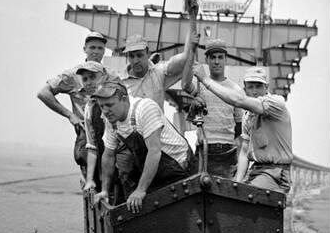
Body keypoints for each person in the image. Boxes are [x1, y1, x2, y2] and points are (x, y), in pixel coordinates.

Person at [92, 81, 196, 213]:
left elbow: (154, 151)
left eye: (109, 105)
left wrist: (140, 190)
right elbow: (108, 155)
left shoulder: (145, 109)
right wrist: (105, 191)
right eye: (102, 106)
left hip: (180, 168)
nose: (105, 111)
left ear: (124, 99)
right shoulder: (111, 120)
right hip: (157, 172)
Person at [192, 64, 292, 193]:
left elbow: (237, 101)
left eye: (258, 86)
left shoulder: (275, 103)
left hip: (276, 173)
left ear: (266, 87)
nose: (255, 91)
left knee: (245, 198)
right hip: (257, 170)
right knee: (230, 193)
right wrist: (236, 184)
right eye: (251, 87)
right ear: (245, 89)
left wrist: (205, 80)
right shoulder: (248, 115)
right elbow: (244, 152)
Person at [36, 31, 108, 175]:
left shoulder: (109, 74)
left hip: (107, 132)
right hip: (85, 131)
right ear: (85, 49)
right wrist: (69, 115)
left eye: (100, 48)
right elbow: (43, 93)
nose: (96, 52)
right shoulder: (73, 75)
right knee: (90, 173)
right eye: (92, 48)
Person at [182, 37, 244, 178]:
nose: (217, 61)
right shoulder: (199, 86)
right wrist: (191, 51)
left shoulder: (236, 89)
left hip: (228, 152)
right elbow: (185, 85)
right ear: (207, 60)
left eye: (220, 57)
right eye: (213, 57)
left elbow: (239, 127)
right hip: (204, 149)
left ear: (225, 59)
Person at [74, 61, 121, 193]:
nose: (88, 82)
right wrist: (89, 179)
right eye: (85, 79)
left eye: (93, 77)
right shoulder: (89, 107)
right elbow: (92, 145)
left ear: (104, 77)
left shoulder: (118, 98)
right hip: (106, 165)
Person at [121, 30, 198, 108]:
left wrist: (190, 47)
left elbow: (184, 59)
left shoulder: (159, 73)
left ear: (148, 53)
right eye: (131, 56)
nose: (135, 61)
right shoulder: (121, 84)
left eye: (139, 55)